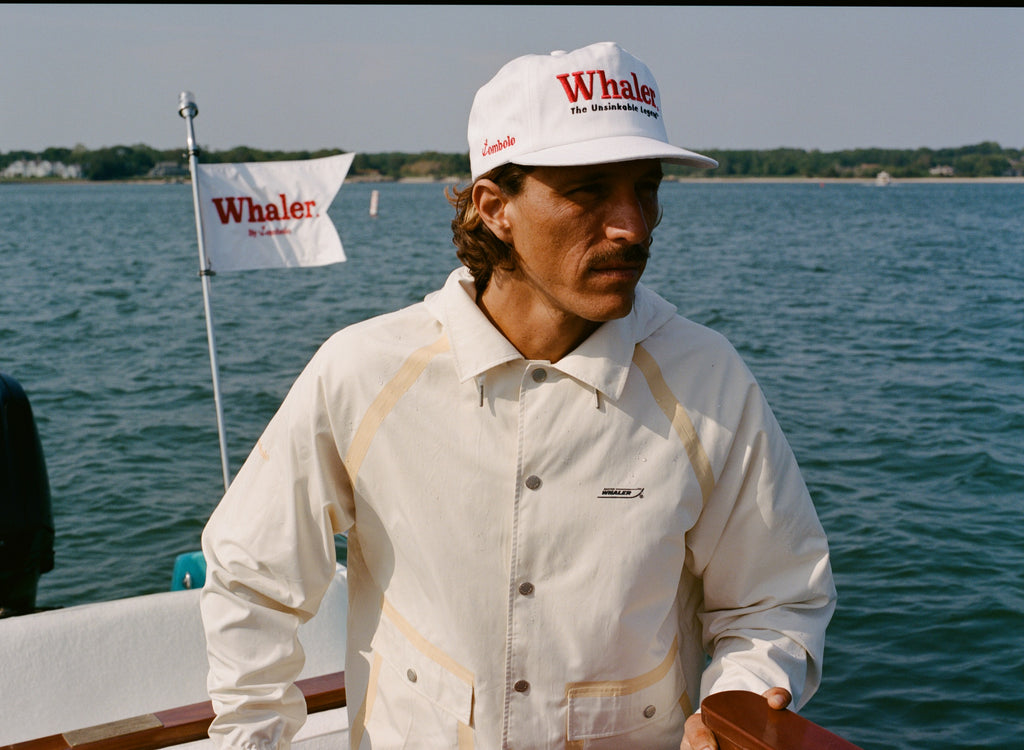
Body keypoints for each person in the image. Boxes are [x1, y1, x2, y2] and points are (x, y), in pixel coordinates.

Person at [200, 41, 836, 750]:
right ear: (494, 206)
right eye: (590, 191)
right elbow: (253, 578)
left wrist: (733, 709)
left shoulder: (706, 378)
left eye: (646, 187)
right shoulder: (365, 372)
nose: (633, 225)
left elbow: (776, 600)